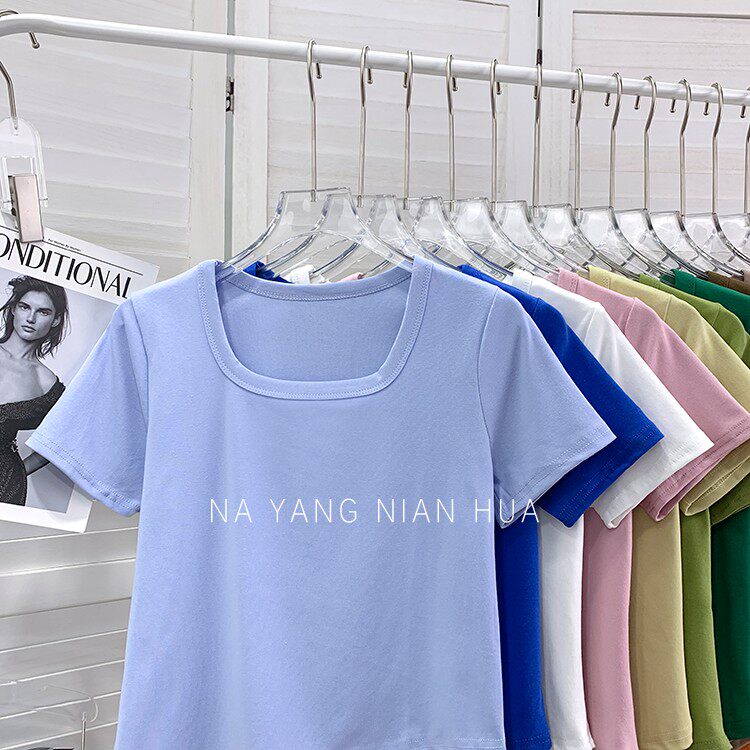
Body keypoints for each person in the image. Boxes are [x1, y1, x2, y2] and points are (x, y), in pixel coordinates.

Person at [0, 275, 68, 505]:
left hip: (4, 487)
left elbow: (59, 443)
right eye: (25, 307)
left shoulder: (47, 384)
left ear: (56, 319)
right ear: (13, 309)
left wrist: (17, 474)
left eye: (43, 312)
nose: (31, 318)